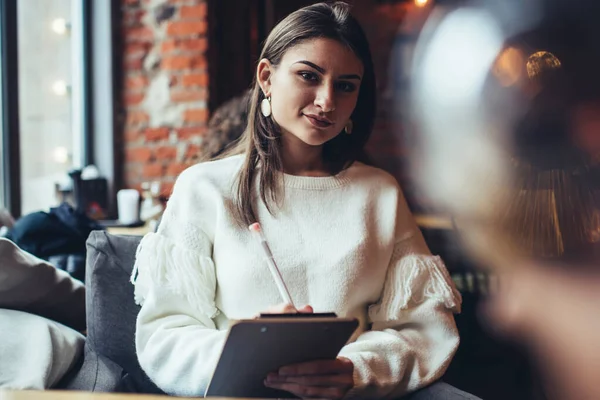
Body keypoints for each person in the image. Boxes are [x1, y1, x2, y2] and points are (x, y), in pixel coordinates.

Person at [131, 2, 468, 399]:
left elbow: (426, 328)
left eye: (346, 85)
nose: (327, 101)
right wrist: (246, 350)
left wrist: (355, 369)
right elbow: (163, 334)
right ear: (266, 77)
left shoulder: (380, 193)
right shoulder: (203, 188)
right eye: (309, 75)